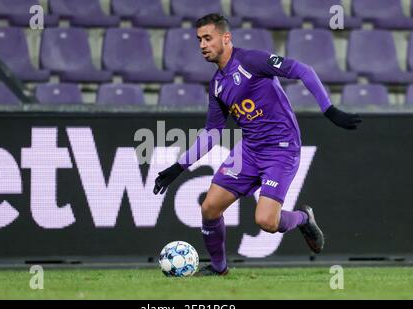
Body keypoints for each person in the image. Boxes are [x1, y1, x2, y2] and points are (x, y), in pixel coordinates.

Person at [153, 13, 361, 276]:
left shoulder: (251, 60)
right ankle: (218, 268)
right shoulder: (217, 85)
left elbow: (302, 70)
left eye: (208, 38)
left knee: (266, 221)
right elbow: (212, 132)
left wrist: (329, 110)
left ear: (225, 38)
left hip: (281, 149)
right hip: (249, 150)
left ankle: (303, 218)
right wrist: (178, 167)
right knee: (209, 207)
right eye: (199, 40)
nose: (202, 45)